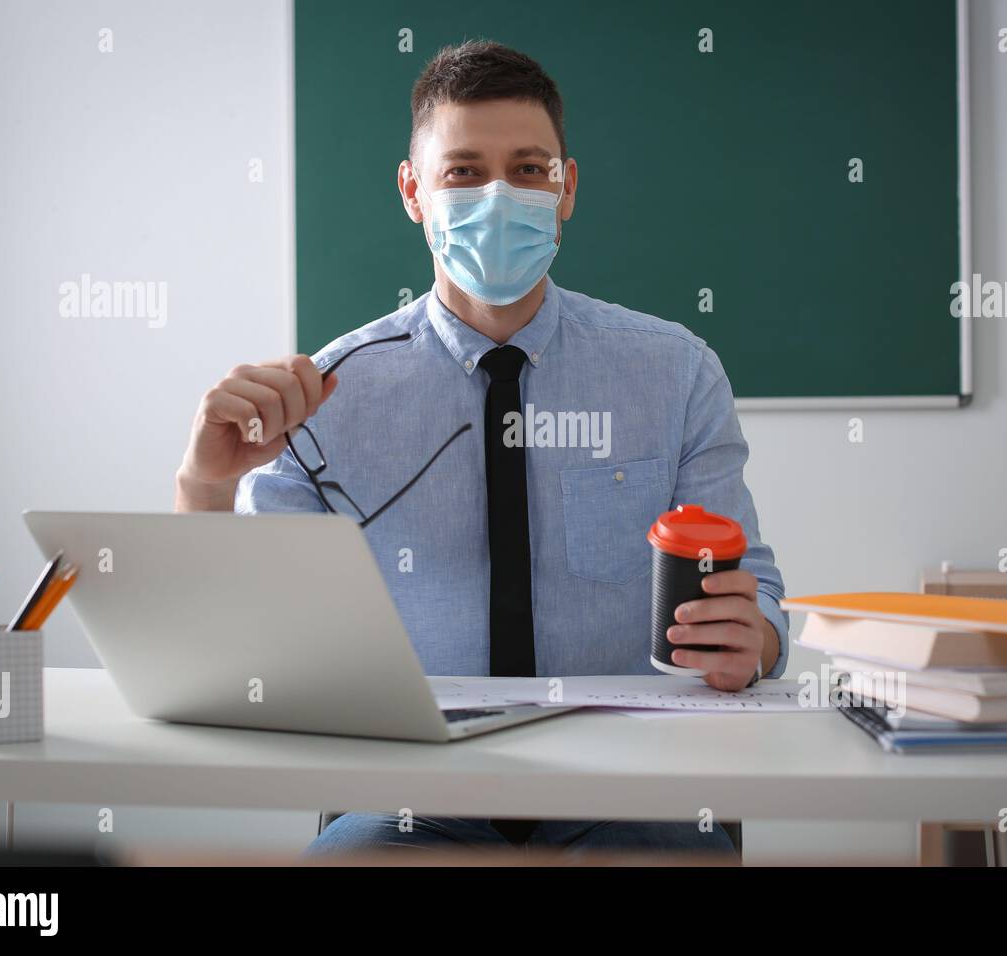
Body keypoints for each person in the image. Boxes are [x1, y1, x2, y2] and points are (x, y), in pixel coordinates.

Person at [175, 40, 787, 858]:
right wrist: (204, 487)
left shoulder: (675, 374)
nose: (500, 195)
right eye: (463, 171)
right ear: (412, 191)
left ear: (566, 190)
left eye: (530, 169)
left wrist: (759, 642)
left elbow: (762, 596)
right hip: (407, 800)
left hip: (634, 792)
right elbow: (237, 652)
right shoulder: (318, 396)